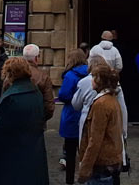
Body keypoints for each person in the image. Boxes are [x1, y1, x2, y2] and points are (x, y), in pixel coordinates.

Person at [0, 57, 48, 185]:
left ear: (9, 73)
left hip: (10, 160)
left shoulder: (11, 98)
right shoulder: (35, 92)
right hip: (33, 156)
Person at [76, 62, 125, 184]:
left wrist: (85, 169)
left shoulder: (101, 104)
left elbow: (95, 139)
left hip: (102, 163)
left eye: (93, 77)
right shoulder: (111, 99)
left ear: (100, 80)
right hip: (111, 160)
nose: (91, 80)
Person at [59, 49, 90, 183]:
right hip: (87, 115)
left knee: (70, 153)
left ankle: (70, 181)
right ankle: (87, 178)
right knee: (87, 152)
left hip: (72, 116)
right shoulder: (90, 74)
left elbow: (63, 95)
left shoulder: (70, 75)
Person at [22, 43, 55, 120]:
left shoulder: (12, 74)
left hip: (16, 121)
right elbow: (49, 106)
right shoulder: (43, 77)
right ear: (36, 58)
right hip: (36, 121)